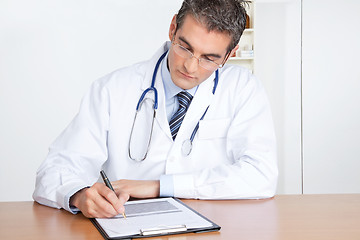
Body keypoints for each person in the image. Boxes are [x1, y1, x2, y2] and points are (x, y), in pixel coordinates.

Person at [33, 0, 278, 218]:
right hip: (126, 225)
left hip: (211, 228)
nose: (191, 67)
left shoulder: (243, 89)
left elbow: (261, 176)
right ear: (173, 28)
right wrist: (78, 195)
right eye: (185, 47)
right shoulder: (112, 89)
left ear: (229, 55)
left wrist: (160, 186)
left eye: (209, 58)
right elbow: (54, 170)